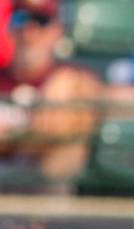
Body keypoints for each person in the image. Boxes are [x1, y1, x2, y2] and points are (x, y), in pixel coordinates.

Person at [0, 0, 102, 191]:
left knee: (69, 150)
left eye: (41, 21)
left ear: (56, 31)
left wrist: (79, 88)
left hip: (46, 188)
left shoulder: (74, 79)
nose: (29, 31)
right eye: (19, 20)